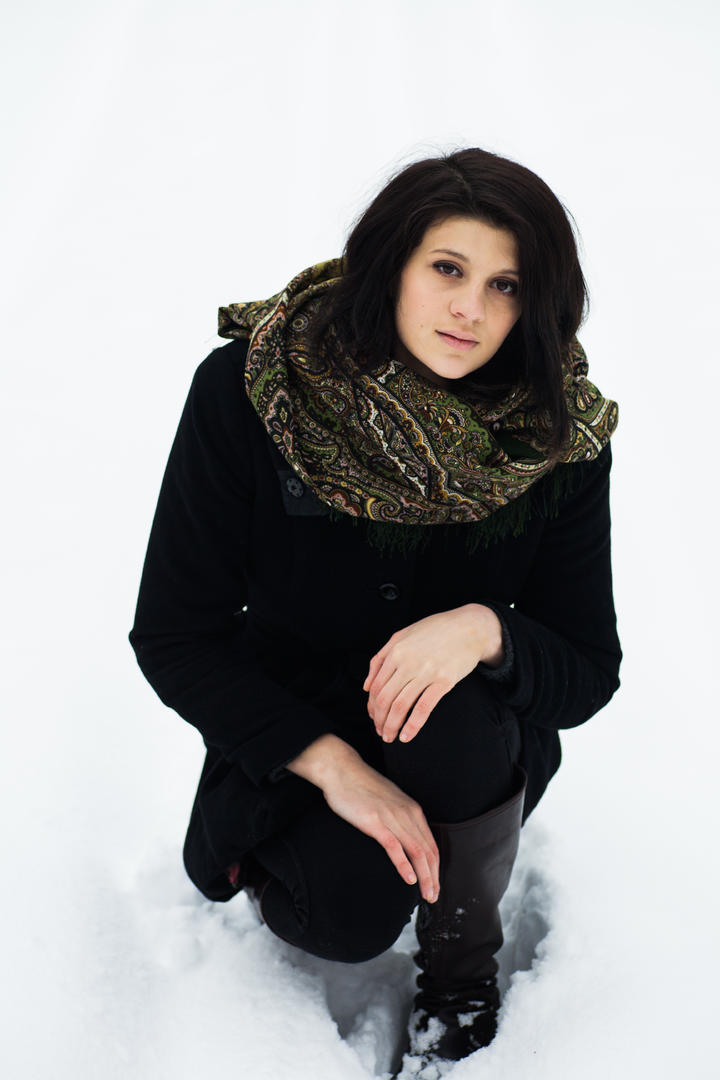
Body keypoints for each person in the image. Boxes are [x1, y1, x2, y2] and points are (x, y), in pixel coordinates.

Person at [129, 147, 620, 1077]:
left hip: (469, 741)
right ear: (392, 263)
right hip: (291, 722)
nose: (471, 309)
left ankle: (461, 977)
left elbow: (588, 669)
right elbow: (175, 633)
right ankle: (297, 844)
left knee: (454, 706)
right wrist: (331, 764)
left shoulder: (556, 436)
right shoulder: (253, 391)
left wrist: (486, 631)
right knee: (345, 915)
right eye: (448, 269)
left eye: (506, 285)